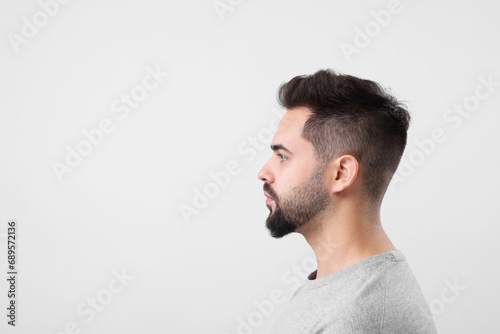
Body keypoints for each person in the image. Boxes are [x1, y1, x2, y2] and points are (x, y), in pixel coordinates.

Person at [257, 69, 437, 333]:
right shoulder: (341, 286)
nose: (263, 172)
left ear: (341, 174)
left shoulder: (357, 318)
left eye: (283, 156)